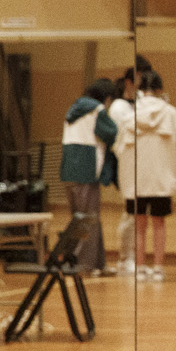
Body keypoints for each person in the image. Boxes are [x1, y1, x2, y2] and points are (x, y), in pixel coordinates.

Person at [129, 67, 176, 282]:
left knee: (139, 224)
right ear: (160, 89)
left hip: (137, 176)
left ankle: (140, 267)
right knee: (159, 223)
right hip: (162, 176)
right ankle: (159, 267)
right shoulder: (170, 112)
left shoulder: (132, 112)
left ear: (140, 89)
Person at [58, 77, 117, 274]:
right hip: (86, 168)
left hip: (69, 170)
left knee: (81, 218)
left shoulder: (73, 109)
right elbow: (111, 132)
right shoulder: (97, 109)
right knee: (88, 219)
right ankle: (84, 264)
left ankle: (97, 263)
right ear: (107, 98)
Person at [107, 70, 139, 274]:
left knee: (135, 213)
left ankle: (130, 255)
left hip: (138, 165)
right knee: (130, 212)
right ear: (129, 82)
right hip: (126, 164)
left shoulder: (134, 105)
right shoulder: (119, 107)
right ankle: (126, 257)